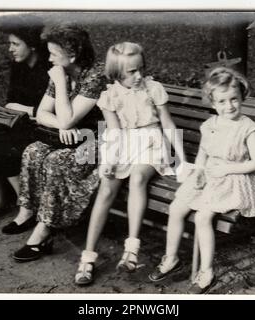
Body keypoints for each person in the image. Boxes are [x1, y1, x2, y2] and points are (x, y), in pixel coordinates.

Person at [148, 67, 255, 294]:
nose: (229, 106)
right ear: (213, 104)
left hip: (235, 178)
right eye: (222, 102)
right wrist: (198, 172)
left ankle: (206, 272)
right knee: (177, 207)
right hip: (210, 177)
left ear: (242, 97)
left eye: (234, 99)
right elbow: (203, 154)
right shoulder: (210, 125)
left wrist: (228, 168)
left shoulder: (247, 128)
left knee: (203, 217)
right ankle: (171, 257)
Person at [74, 42, 186, 286]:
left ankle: (132, 248)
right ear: (117, 74)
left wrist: (182, 160)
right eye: (131, 72)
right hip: (123, 144)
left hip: (151, 143)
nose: (138, 76)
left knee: (137, 178)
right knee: (106, 187)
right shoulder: (109, 96)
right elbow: (113, 132)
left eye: (140, 69)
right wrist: (109, 160)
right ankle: (88, 257)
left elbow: (167, 124)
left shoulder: (153, 88)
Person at [7, 24, 108, 260]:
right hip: (73, 137)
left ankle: (43, 231)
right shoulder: (60, 71)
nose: (49, 58)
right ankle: (31, 212)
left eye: (53, 53)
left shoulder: (95, 76)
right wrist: (64, 125)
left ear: (72, 55)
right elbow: (42, 113)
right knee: (33, 151)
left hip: (101, 139)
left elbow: (66, 118)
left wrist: (62, 89)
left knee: (57, 160)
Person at [0, 16, 49, 224]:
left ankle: (27, 205)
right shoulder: (19, 66)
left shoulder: (48, 70)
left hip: (43, 127)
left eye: (15, 44)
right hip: (20, 122)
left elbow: (48, 110)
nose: (11, 49)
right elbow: (10, 101)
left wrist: (23, 109)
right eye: (10, 44)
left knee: (1, 146)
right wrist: (21, 110)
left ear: (32, 46)